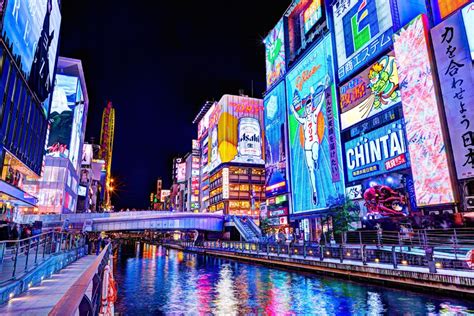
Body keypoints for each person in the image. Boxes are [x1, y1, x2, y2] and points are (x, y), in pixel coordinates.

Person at [290, 76, 330, 205]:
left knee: (315, 154)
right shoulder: (304, 119)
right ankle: (314, 192)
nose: (308, 109)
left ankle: (316, 159)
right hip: (307, 145)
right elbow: (297, 118)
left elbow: (320, 104)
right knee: (310, 169)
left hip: (315, 142)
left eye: (309, 107)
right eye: (307, 108)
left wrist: (324, 89)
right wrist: (292, 110)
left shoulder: (314, 115)